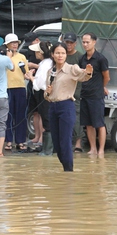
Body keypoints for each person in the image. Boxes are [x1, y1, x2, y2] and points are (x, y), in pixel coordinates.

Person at [44, 42, 93, 172]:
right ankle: (66, 169)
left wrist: (88, 72)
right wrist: (47, 93)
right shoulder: (51, 71)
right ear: (52, 54)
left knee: (65, 141)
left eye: (63, 53)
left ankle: (69, 172)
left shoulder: (72, 68)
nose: (60, 56)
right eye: (58, 53)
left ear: (66, 55)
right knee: (57, 143)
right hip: (53, 107)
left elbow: (83, 76)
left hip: (66, 106)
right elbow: (47, 94)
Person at [78, 33, 110, 157]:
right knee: (88, 124)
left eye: (87, 42)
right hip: (84, 94)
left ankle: (101, 149)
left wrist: (101, 87)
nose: (85, 44)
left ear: (94, 42)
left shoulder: (101, 59)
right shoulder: (82, 59)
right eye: (84, 42)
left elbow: (106, 76)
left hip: (96, 95)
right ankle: (93, 148)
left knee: (99, 124)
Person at [26, 41, 54, 156]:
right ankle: (48, 149)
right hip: (45, 95)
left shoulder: (45, 64)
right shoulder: (46, 63)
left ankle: (48, 151)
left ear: (41, 52)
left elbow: (39, 84)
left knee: (47, 122)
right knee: (47, 121)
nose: (35, 53)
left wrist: (31, 78)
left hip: (44, 95)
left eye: (37, 51)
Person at [4, 33, 30, 152]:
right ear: (7, 44)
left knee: (21, 115)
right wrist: (8, 57)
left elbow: (25, 73)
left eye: (16, 43)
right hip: (7, 88)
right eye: (12, 43)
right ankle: (8, 140)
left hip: (20, 87)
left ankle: (20, 140)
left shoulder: (22, 57)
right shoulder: (3, 57)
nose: (15, 45)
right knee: (8, 115)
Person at [63, 32, 85, 153]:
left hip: (76, 93)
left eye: (71, 43)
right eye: (67, 42)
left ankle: (78, 142)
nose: (69, 45)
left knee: (76, 119)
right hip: (62, 92)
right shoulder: (62, 55)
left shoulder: (80, 57)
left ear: (75, 44)